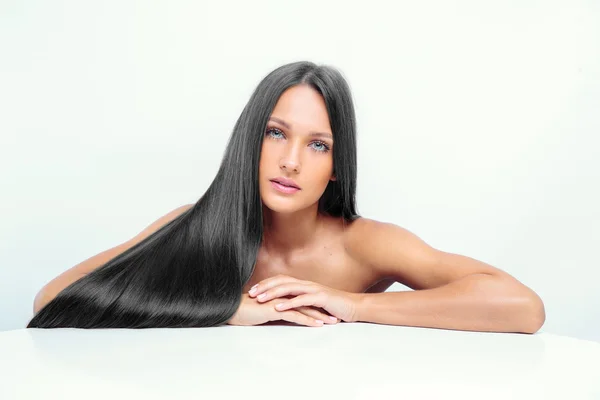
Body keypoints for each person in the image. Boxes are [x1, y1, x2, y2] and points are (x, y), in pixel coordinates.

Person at [28, 61, 546, 333]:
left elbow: (522, 308)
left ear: (338, 167)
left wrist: (349, 304)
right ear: (249, 140)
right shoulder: (196, 225)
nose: (291, 160)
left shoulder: (362, 245)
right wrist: (223, 308)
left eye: (318, 144)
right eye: (276, 133)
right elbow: (53, 297)